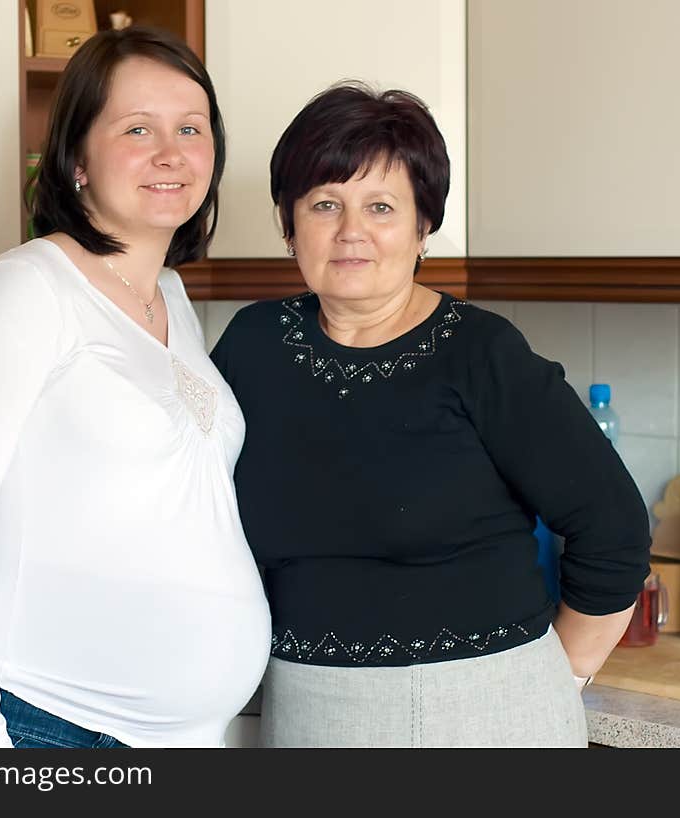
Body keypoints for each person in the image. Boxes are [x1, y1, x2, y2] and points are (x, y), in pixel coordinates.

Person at [210, 83, 650, 748]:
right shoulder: (252, 345)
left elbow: (612, 529)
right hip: (303, 707)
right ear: (289, 223)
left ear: (422, 228)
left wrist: (561, 677)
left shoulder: (481, 351)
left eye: (380, 207)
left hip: (481, 712)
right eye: (325, 204)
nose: (351, 231)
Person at [0, 26, 270, 748]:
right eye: (138, 128)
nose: (171, 152)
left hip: (185, 738)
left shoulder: (168, 296)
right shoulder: (26, 288)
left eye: (191, 128)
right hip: (50, 727)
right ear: (76, 155)